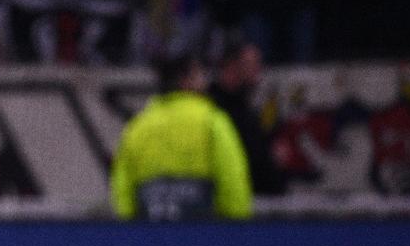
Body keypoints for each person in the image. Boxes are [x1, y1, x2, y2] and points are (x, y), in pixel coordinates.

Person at [111, 55, 252, 220]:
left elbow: (122, 186)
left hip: (150, 238)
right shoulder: (212, 122)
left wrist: (129, 230)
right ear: (185, 81)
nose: (205, 82)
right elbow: (232, 178)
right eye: (199, 76)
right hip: (203, 238)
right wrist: (236, 229)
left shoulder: (137, 127)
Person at [209, 42, 287, 195]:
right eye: (251, 64)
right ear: (231, 66)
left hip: (261, 199)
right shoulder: (213, 106)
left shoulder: (248, 105)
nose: (258, 70)